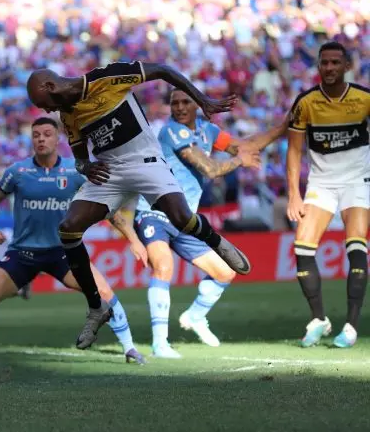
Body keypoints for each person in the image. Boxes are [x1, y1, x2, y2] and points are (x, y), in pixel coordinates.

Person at [26, 62, 250, 349]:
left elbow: (163, 70)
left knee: (181, 218)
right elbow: (81, 157)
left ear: (50, 87)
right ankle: (97, 307)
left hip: (146, 162)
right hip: (111, 172)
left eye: (42, 104)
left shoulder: (104, 79)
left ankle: (217, 243)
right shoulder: (68, 115)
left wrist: (202, 99)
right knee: (68, 228)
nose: (45, 111)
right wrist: (86, 167)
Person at [0, 117, 147, 375]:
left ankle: (129, 348)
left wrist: (134, 240)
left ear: (58, 139)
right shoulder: (18, 172)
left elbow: (110, 210)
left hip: (64, 253)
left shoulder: (76, 171)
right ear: (31, 140)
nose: (41, 139)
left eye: (47, 134)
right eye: (36, 135)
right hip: (22, 253)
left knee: (103, 291)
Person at [135, 89, 286, 358]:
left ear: (198, 105)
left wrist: (284, 127)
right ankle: (160, 344)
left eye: (185, 102)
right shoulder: (171, 132)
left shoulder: (208, 131)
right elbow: (209, 169)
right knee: (164, 266)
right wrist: (240, 160)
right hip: (155, 211)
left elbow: (246, 144)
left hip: (185, 218)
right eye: (175, 103)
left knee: (225, 272)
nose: (179, 107)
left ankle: (194, 316)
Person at [286, 41, 370, 348]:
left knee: (357, 246)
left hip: (356, 182)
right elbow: (294, 152)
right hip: (321, 184)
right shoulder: (305, 103)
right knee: (302, 248)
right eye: (325, 63)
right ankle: (319, 318)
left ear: (346, 66)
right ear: (318, 66)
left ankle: (350, 326)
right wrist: (294, 195)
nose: (330, 68)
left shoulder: (363, 99)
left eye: (336, 62)